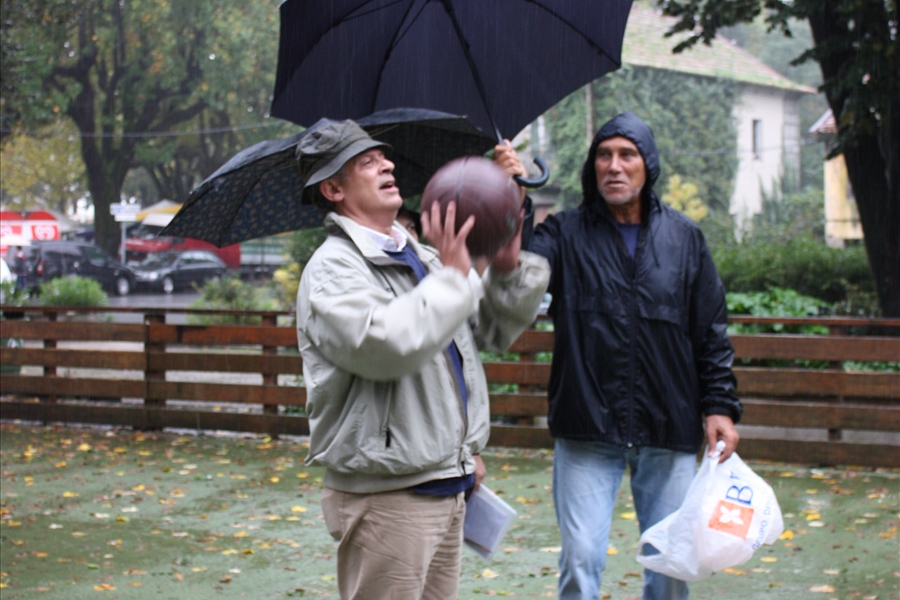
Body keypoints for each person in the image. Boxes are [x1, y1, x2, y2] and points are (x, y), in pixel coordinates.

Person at [294, 118, 550, 600]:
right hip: (388, 498)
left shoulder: (424, 259)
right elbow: (387, 347)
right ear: (333, 189)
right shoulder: (333, 269)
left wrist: (505, 262)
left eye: (384, 157)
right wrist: (453, 277)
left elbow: (491, 329)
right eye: (366, 162)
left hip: (448, 485)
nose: (387, 165)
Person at [495, 112, 742, 600]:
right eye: (603, 155)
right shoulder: (563, 232)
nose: (614, 166)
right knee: (580, 560)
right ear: (592, 166)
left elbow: (710, 330)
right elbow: (515, 275)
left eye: (627, 154)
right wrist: (512, 199)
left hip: (667, 423)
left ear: (648, 164)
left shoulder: (684, 238)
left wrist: (720, 407)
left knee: (670, 568)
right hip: (586, 425)